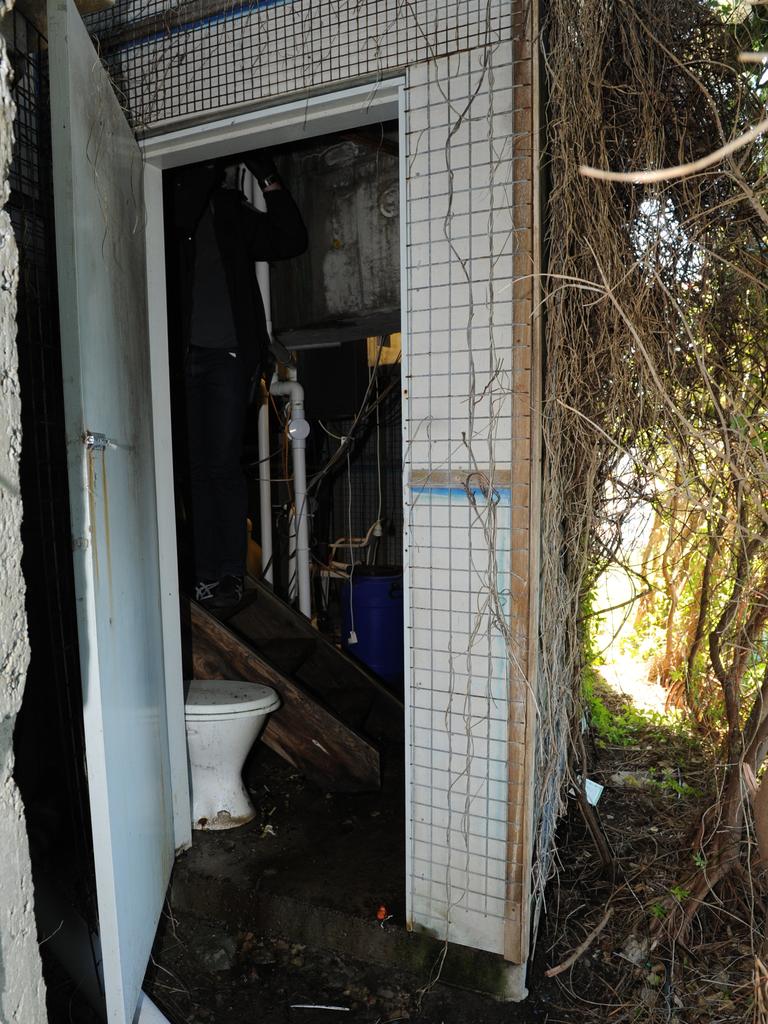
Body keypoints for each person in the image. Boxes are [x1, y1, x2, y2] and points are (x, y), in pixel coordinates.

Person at [170, 150, 307, 609]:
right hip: (183, 359)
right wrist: (208, 162)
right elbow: (182, 213)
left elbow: (290, 239)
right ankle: (206, 573)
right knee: (195, 470)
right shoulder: (171, 200)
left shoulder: (228, 209)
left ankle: (227, 574)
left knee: (221, 467)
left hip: (227, 357)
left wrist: (267, 173)